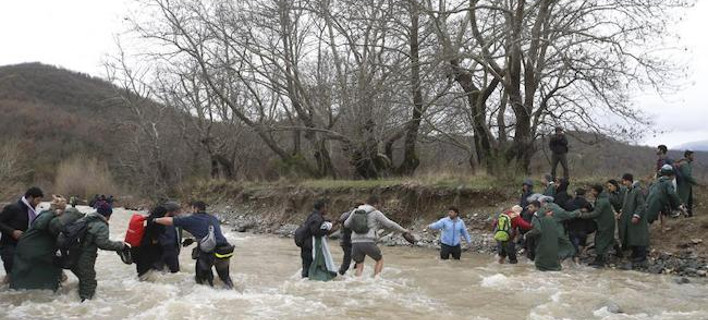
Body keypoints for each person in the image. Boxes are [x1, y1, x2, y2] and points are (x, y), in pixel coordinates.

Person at [153, 201, 234, 289]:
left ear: (195, 209)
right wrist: (193, 240)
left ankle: (205, 298)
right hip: (225, 251)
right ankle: (233, 293)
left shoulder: (191, 219)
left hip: (210, 254)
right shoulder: (213, 218)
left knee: (202, 282)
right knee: (225, 279)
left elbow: (170, 221)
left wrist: (154, 219)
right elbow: (212, 235)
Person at [10, 195, 84, 290]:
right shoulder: (48, 215)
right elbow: (39, 225)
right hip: (34, 251)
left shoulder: (46, 215)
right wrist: (54, 212)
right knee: (40, 280)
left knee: (25, 280)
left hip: (30, 250)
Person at [72, 202, 130, 301]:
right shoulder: (101, 225)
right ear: (108, 215)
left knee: (83, 280)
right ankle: (85, 308)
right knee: (89, 283)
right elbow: (103, 244)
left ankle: (74, 302)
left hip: (73, 254)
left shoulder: (86, 219)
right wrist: (121, 245)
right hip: (85, 257)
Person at [344, 195, 410, 277]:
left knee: (359, 266)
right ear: (376, 204)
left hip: (355, 242)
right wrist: (404, 230)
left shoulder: (355, 211)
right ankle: (376, 281)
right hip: (368, 241)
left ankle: (357, 282)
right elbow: (390, 224)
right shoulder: (375, 212)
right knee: (379, 260)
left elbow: (346, 224)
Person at [0, 187, 44, 279]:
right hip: (8, 246)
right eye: (37, 200)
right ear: (30, 198)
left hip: (24, 245)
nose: (38, 203)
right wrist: (12, 232)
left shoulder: (34, 211)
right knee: (11, 275)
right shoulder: (13, 208)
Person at [578, 185, 616, 268]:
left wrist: (582, 215)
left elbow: (596, 213)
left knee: (600, 241)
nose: (591, 193)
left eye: (592, 191)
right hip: (605, 223)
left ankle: (600, 260)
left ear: (596, 191)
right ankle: (607, 257)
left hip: (605, 224)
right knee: (606, 240)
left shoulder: (601, 201)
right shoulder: (602, 199)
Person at [618, 174, 649, 269]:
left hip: (638, 219)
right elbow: (625, 204)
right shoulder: (628, 191)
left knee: (639, 236)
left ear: (629, 181)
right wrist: (621, 212)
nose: (623, 183)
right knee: (633, 236)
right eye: (623, 181)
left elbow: (641, 205)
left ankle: (642, 256)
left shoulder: (637, 191)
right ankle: (635, 254)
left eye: (625, 181)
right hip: (629, 218)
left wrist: (637, 215)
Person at [646, 165, 685, 232]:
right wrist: (679, 203)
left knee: (664, 211)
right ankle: (643, 233)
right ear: (671, 175)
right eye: (673, 176)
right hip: (656, 201)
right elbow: (671, 193)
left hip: (654, 199)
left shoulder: (657, 181)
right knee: (649, 219)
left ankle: (663, 228)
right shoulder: (668, 182)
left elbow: (650, 189)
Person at [306, 200, 338, 281]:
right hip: (312, 244)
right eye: (326, 207)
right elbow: (316, 231)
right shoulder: (317, 218)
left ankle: (307, 279)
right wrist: (329, 232)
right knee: (317, 262)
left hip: (306, 244)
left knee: (307, 266)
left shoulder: (312, 216)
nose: (326, 210)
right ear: (322, 208)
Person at [525, 202, 561, 271]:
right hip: (554, 247)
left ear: (537, 208)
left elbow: (537, 230)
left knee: (540, 268)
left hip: (542, 247)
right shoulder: (551, 217)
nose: (529, 209)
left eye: (531, 207)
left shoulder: (536, 217)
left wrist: (527, 234)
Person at [564, 188, 595, 260]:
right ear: (584, 194)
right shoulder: (586, 203)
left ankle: (573, 259)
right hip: (582, 227)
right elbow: (592, 213)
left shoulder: (569, 202)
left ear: (575, 193)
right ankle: (578, 257)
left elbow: (566, 212)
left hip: (571, 227)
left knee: (573, 244)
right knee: (581, 244)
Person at [337, 201, 363, 276]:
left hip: (345, 240)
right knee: (348, 260)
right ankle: (341, 274)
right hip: (348, 240)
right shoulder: (354, 215)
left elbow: (341, 220)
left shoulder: (346, 214)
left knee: (356, 257)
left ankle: (351, 273)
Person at [675, 150, 698, 217]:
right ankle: (685, 215)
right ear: (687, 156)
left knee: (688, 201)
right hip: (684, 186)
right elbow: (686, 176)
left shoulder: (686, 163)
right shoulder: (685, 164)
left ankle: (688, 215)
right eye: (692, 155)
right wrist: (696, 182)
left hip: (686, 186)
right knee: (684, 201)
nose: (693, 157)